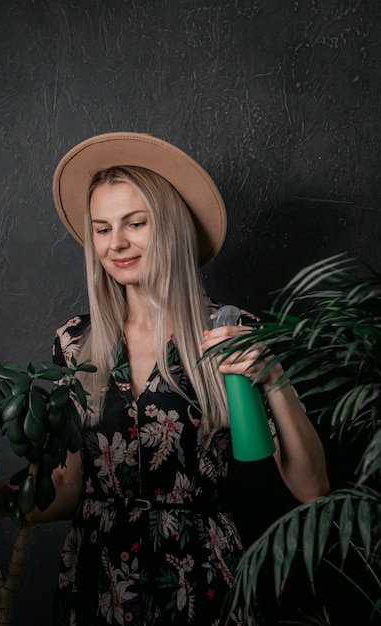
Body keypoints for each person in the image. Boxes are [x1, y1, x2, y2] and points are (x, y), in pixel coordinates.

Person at [40, 132, 330, 626]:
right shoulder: (74, 343)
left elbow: (311, 488)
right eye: (103, 229)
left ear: (170, 227)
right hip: (96, 577)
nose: (118, 244)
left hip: (199, 575)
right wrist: (2, 505)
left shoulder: (230, 333)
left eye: (136, 223)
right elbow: (68, 488)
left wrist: (274, 376)